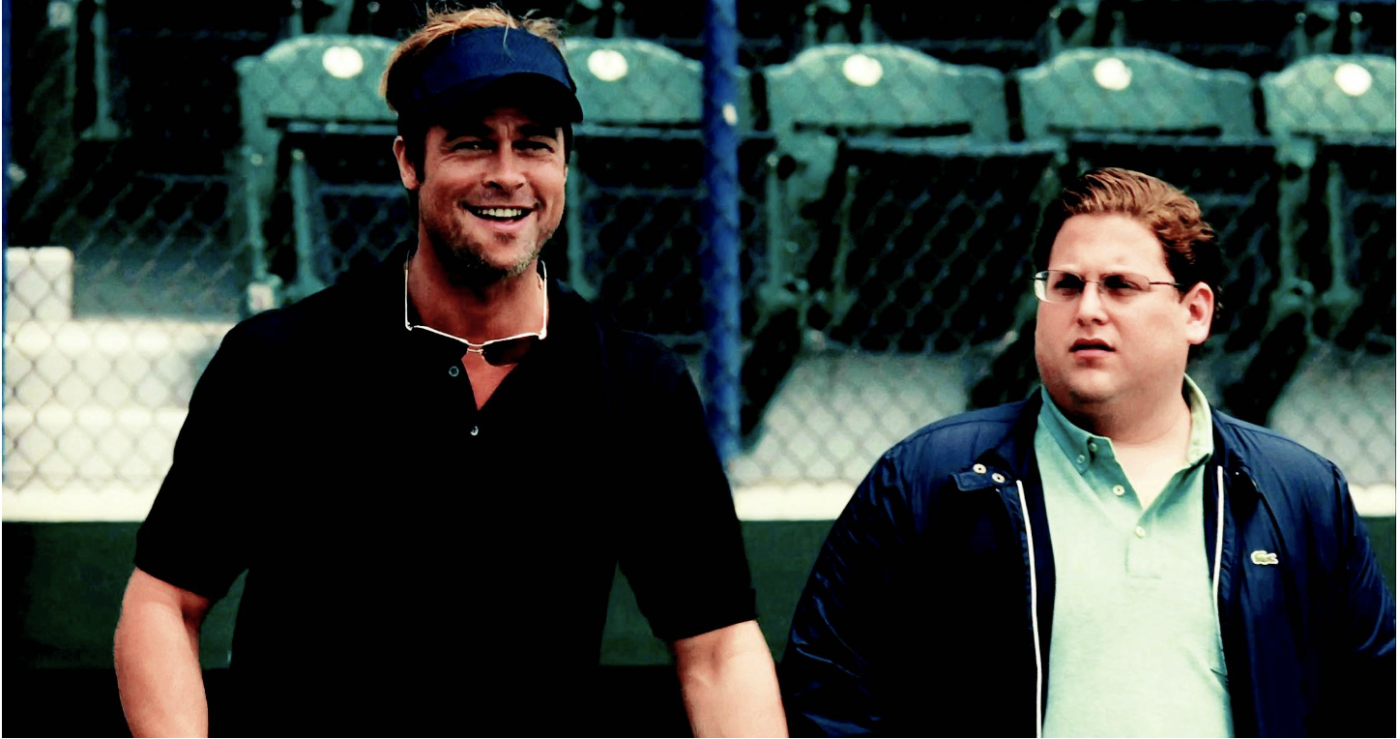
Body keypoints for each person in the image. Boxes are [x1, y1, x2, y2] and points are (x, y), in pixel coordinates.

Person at [113, 8, 786, 737]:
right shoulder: (279, 361)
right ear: (409, 161)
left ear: (564, 165)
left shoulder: (637, 384)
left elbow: (718, 645)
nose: (508, 174)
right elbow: (163, 602)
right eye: (471, 143)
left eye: (535, 144)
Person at [780, 168, 1395, 737]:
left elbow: (1373, 703)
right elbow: (828, 692)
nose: (1088, 309)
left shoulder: (1298, 491)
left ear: (1195, 312)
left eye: (1121, 286)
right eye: (1067, 285)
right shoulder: (928, 477)